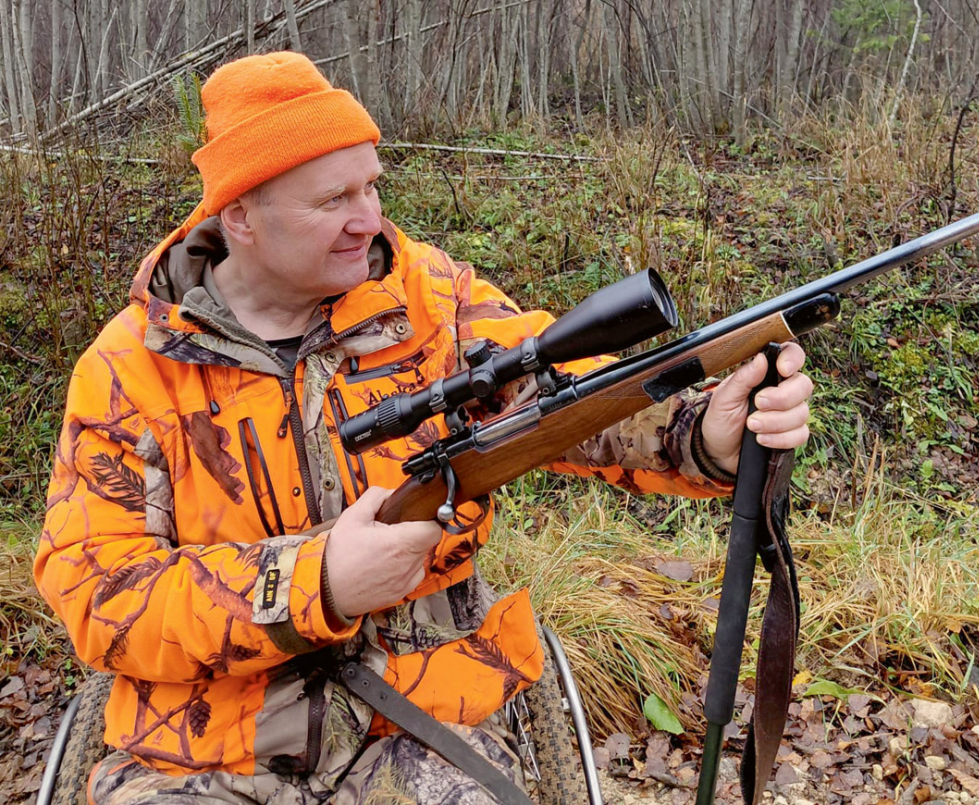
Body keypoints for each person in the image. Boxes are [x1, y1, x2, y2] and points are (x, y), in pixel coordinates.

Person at [35, 52, 813, 805]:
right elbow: (100, 595)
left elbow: (572, 401)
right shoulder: (127, 372)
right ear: (240, 215)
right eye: (332, 199)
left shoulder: (433, 301)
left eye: (371, 187)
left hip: (426, 714)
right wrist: (318, 582)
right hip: (206, 746)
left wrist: (704, 434)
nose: (367, 219)